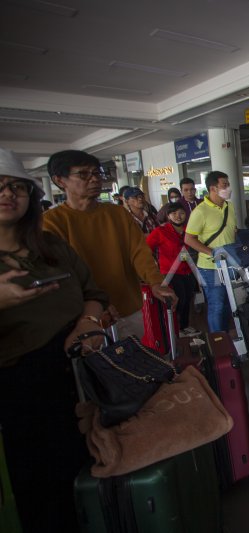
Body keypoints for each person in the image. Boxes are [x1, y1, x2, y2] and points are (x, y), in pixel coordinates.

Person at [0, 147, 108, 532]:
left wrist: (88, 322)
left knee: (93, 463)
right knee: (43, 486)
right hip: (22, 385)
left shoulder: (52, 247)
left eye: (16, 186)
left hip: (81, 367)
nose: (7, 194)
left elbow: (93, 291)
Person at [43, 150, 175, 340]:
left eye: (96, 173)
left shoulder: (118, 214)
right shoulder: (51, 223)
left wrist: (155, 281)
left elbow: (139, 252)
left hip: (128, 307)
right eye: (83, 174)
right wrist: (92, 308)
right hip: (84, 318)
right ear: (60, 180)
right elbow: (61, 273)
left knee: (135, 361)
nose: (94, 179)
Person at [184, 171, 237, 333]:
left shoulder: (230, 206)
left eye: (228, 184)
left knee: (229, 303)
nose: (228, 188)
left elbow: (231, 231)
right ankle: (218, 343)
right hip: (210, 267)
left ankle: (227, 337)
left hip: (229, 264)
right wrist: (212, 252)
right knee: (217, 305)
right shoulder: (200, 211)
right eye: (225, 185)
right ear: (213, 188)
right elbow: (189, 239)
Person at [146, 202, 197, 335]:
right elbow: (146, 249)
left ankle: (184, 326)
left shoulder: (190, 230)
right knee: (178, 299)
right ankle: (175, 328)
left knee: (188, 299)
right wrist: (153, 265)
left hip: (189, 271)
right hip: (170, 272)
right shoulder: (160, 231)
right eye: (174, 214)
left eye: (181, 213)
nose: (178, 216)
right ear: (168, 216)